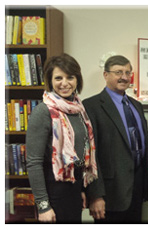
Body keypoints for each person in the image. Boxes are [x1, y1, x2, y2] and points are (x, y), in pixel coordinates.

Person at [26, 53, 98, 223]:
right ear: (50, 81)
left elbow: (81, 151)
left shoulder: (79, 109)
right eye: (58, 78)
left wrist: (80, 189)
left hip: (73, 187)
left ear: (77, 80)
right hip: (53, 191)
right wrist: (43, 206)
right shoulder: (43, 112)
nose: (64, 83)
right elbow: (33, 162)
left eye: (70, 77)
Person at [82, 55, 148, 223]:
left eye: (128, 72)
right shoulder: (91, 106)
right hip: (110, 192)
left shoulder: (136, 106)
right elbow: (91, 154)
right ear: (106, 75)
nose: (124, 77)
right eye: (118, 72)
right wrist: (96, 195)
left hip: (137, 185)